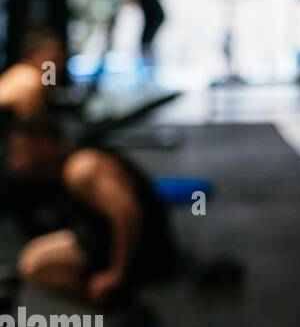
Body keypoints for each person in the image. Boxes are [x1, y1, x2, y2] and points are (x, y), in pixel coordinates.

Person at [4, 115, 178, 308]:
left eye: (20, 150)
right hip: (105, 239)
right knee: (34, 261)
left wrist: (116, 274)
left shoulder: (82, 168)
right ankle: (121, 307)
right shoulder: (62, 168)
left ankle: (120, 302)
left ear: (44, 145)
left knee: (36, 263)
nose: (15, 161)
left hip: (148, 252)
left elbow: (127, 213)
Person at [0, 28, 65, 120]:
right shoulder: (29, 79)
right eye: (54, 60)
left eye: (59, 60)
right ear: (33, 55)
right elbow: (27, 128)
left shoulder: (21, 72)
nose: (58, 67)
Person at [128, 0, 166, 68]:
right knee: (147, 42)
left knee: (146, 42)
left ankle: (150, 68)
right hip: (156, 15)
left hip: (153, 16)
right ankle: (151, 67)